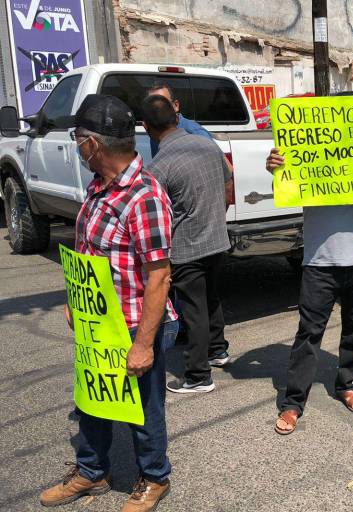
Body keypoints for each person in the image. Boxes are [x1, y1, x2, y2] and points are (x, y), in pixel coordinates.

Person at [40, 95, 178, 511]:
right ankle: (91, 471)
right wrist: (74, 300)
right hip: (98, 321)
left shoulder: (144, 197)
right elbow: (88, 251)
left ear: (92, 144)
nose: (76, 145)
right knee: (92, 400)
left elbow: (160, 276)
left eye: (77, 137)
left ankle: (154, 478)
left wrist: (142, 345)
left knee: (142, 410)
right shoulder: (99, 186)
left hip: (137, 324)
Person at [264, 150, 353, 435]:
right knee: (309, 332)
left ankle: (346, 384)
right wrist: (277, 172)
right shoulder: (308, 153)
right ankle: (293, 401)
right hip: (320, 260)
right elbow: (285, 192)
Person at [141, 95, 233, 394]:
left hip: (187, 247)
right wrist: (218, 213)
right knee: (211, 298)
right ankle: (217, 350)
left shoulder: (158, 167)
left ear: (146, 127)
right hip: (218, 238)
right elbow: (228, 181)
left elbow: (155, 217)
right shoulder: (209, 145)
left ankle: (198, 376)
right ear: (177, 117)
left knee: (193, 311)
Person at [146, 83, 214, 158]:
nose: (157, 110)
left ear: (176, 106)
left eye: (163, 104)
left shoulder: (196, 132)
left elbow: (224, 166)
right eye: (151, 106)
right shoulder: (155, 132)